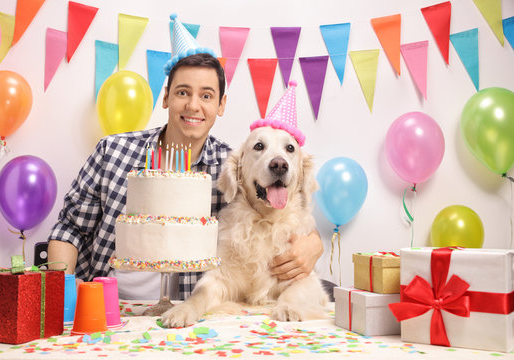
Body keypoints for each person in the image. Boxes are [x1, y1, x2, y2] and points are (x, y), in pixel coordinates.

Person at [48, 15, 323, 300]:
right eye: (183, 92)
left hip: (185, 313)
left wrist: (315, 243)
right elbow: (70, 229)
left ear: (221, 105)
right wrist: (63, 293)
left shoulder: (231, 168)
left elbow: (275, 216)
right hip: (107, 308)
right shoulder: (112, 152)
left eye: (206, 96)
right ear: (165, 97)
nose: (193, 106)